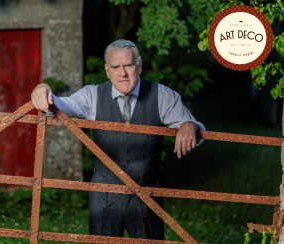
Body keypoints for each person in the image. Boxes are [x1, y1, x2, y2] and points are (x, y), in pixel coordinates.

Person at [31, 39, 205, 240]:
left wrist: (188, 125)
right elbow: (59, 106)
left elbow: (196, 127)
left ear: (138, 66)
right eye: (115, 67)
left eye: (128, 65)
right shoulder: (92, 96)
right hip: (104, 194)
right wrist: (44, 89)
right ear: (107, 70)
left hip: (147, 193)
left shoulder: (162, 95)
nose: (122, 73)